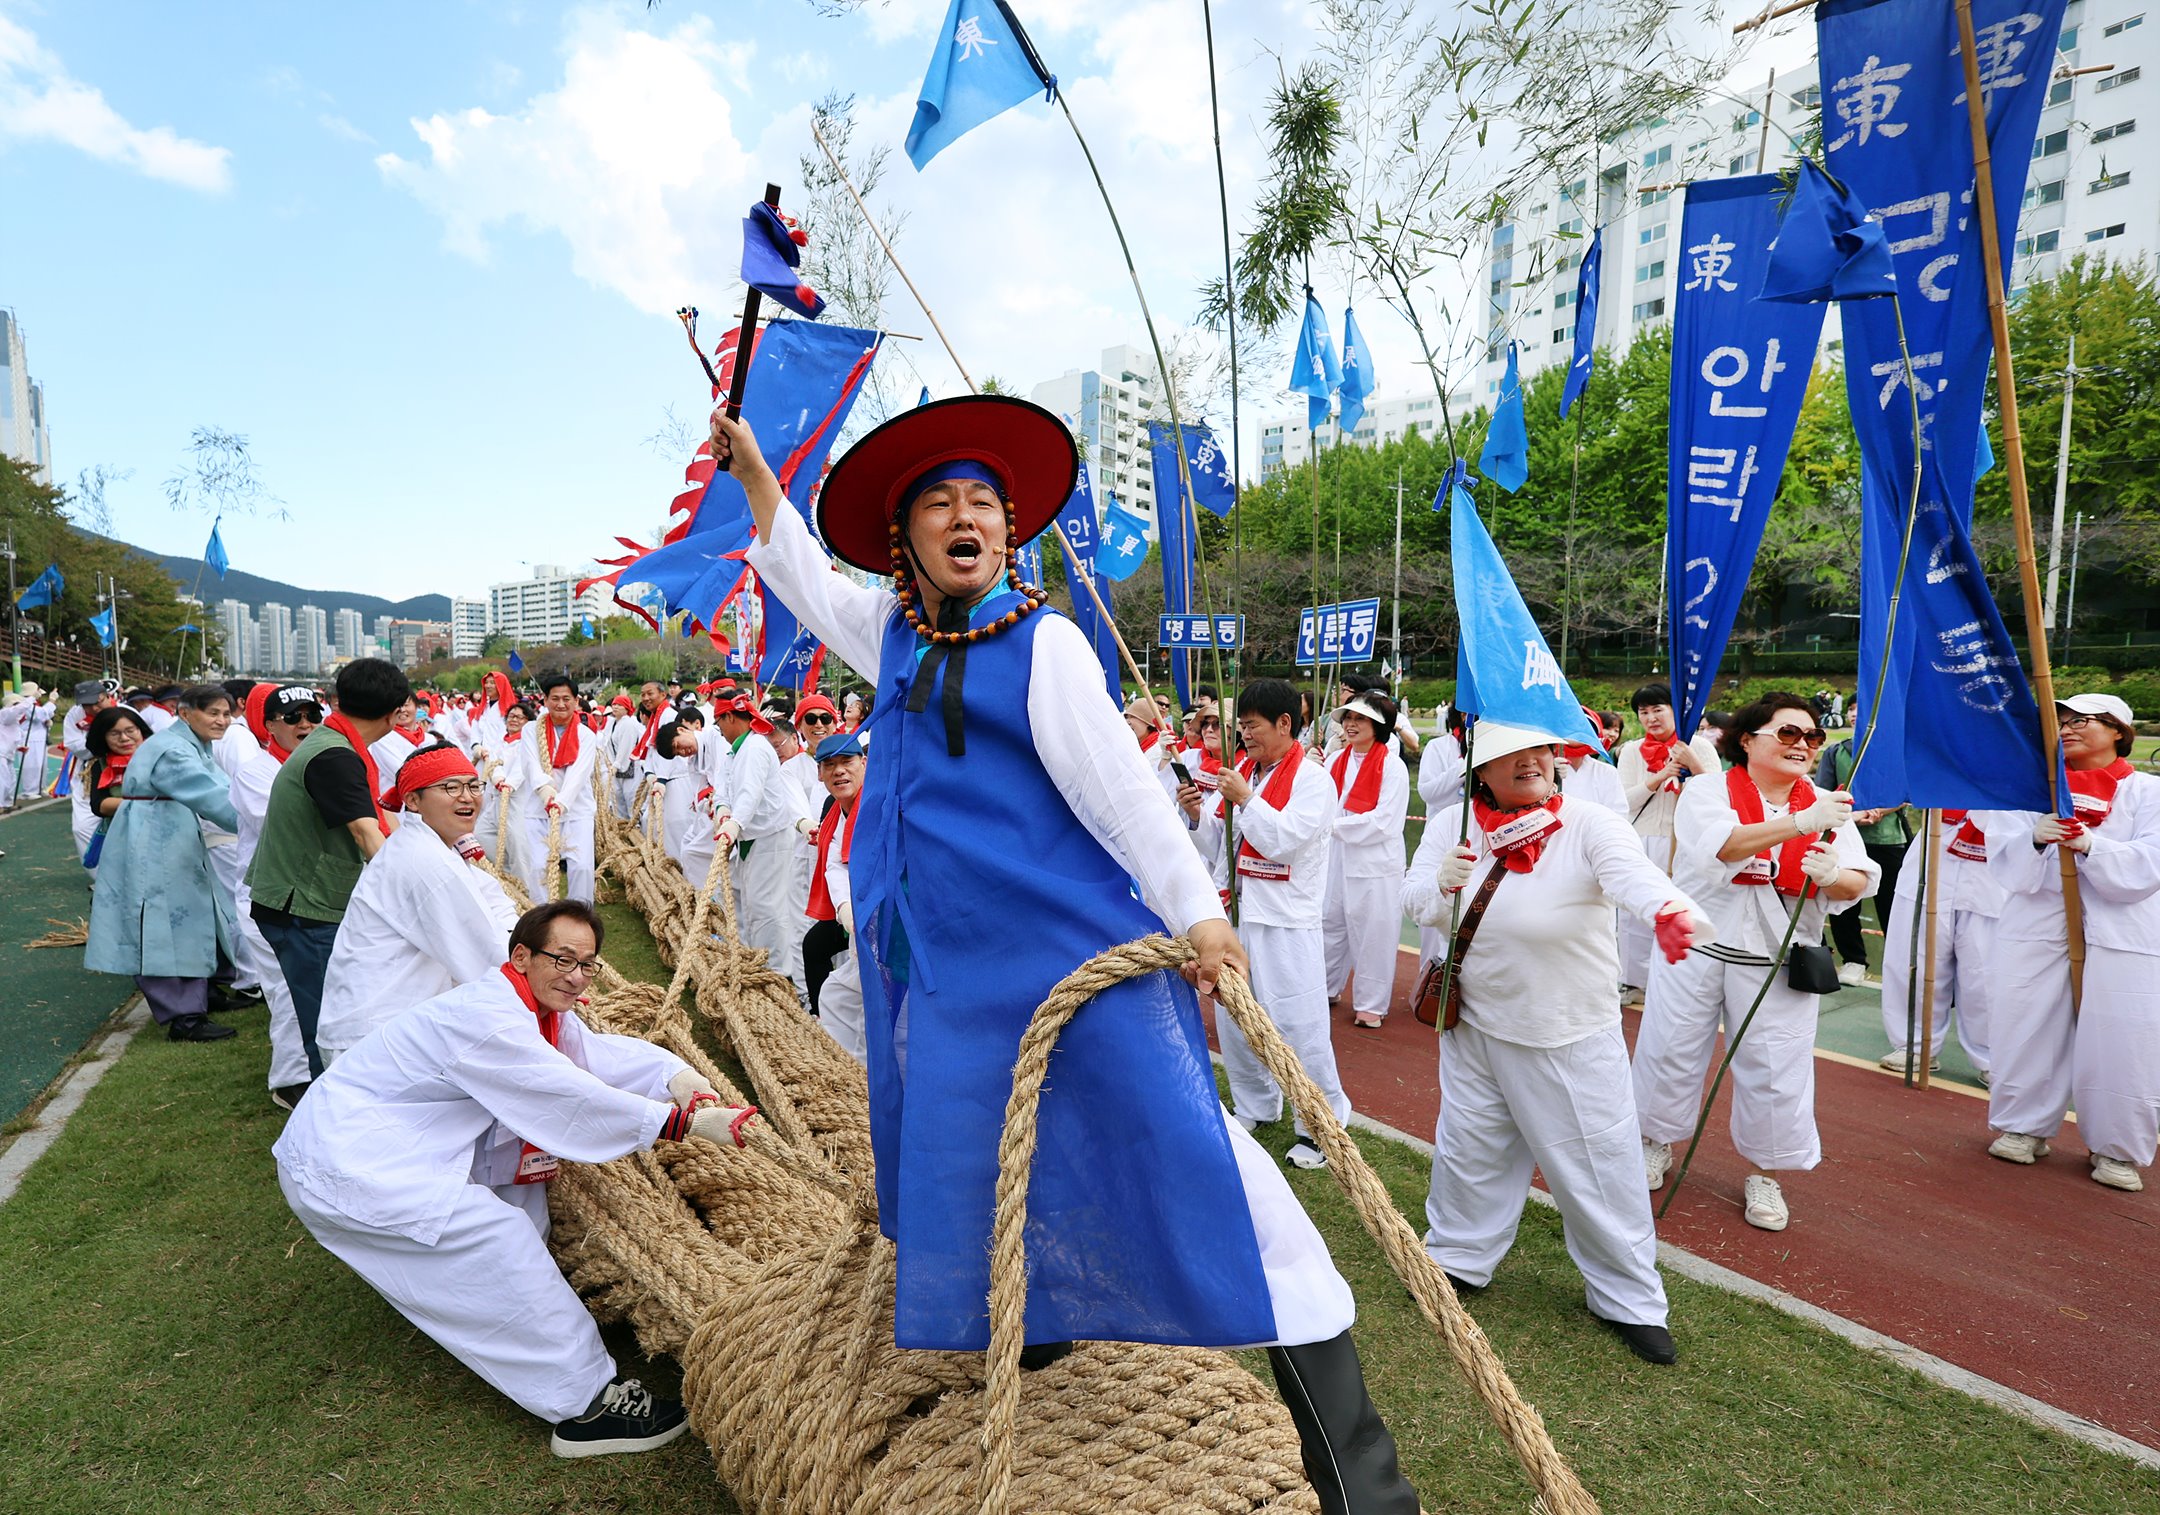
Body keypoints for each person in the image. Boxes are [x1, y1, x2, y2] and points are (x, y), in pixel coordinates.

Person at [717, 396, 1416, 1514]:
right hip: (946, 986)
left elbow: (1128, 798)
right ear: (908, 540)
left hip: (1068, 974)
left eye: (982, 504)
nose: (965, 518)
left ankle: (1362, 1480)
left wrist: (1197, 911)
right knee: (988, 1173)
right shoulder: (895, 633)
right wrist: (754, 471)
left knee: (1226, 1190)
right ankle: (1031, 1333)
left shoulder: (1041, 645)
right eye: (939, 504)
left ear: (1009, 532)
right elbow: (801, 574)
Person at [273, 900, 757, 1457]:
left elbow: (593, 1058)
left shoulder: (532, 1009)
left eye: (587, 964)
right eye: (563, 959)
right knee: (496, 1237)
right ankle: (586, 1406)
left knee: (523, 1214)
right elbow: (566, 1092)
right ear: (522, 956)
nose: (576, 976)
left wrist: (673, 1073)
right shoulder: (491, 1020)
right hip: (348, 1162)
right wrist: (681, 1121)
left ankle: (528, 1320)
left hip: (384, 1144)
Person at [1402, 722, 1709, 1363]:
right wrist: (1442, 884)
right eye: (1508, 754)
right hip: (1475, 1024)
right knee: (1469, 1150)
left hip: (1566, 1033)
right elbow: (1415, 901)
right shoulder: (1452, 823)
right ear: (1478, 771)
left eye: (1539, 750)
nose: (1530, 762)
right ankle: (1457, 1257)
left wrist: (1671, 912)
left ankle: (1629, 1298)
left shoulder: (1590, 824)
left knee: (1600, 1170)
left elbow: (1634, 878)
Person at [1632, 693, 1877, 1231]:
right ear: (1747, 739)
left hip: (1778, 960)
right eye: (1788, 733)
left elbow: (1860, 878)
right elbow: (1723, 846)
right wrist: (1801, 822)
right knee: (1669, 1046)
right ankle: (1654, 1141)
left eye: (1813, 737)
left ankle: (1766, 1171)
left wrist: (1834, 872)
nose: (1804, 745)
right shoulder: (1708, 790)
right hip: (1695, 945)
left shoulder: (1826, 802)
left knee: (1776, 1066)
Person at [1981, 694, 2160, 1191]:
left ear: (2118, 731)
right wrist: (2035, 839)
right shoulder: (2032, 787)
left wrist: (2091, 844)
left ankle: (2117, 1148)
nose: (2070, 728)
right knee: (2025, 1018)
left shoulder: (2148, 791)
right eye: (2062, 721)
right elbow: (2006, 858)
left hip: (2123, 928)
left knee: (2126, 1035)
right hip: (2039, 920)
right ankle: (2023, 1126)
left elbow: (2151, 863)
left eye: (2083, 720)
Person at [1182, 678, 1355, 1169]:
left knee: (1298, 1025)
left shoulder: (1313, 780)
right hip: (1237, 914)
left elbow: (1284, 841)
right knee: (1236, 1017)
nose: (1244, 736)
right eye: (1241, 728)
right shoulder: (1245, 774)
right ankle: (1256, 1104)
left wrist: (1245, 799)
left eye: (1251, 727)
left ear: (1285, 724)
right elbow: (1224, 845)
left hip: (1286, 921)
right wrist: (1198, 816)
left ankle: (1322, 1123)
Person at [248, 657, 412, 1078]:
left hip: (307, 900)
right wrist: (411, 893)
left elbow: (378, 819)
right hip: (303, 908)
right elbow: (365, 833)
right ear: (396, 712)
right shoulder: (334, 756)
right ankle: (331, 1120)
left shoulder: (335, 743)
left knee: (334, 1013)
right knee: (328, 1024)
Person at [316, 742, 522, 1064]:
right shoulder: (426, 861)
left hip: (387, 1027)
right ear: (412, 800)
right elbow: (486, 956)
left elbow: (492, 897)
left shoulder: (433, 846)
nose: (467, 797)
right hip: (375, 1042)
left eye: (472, 785)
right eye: (450, 787)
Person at [85, 685, 245, 1044]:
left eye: (226, 713)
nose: (221, 721)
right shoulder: (173, 750)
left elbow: (218, 788)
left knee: (200, 911)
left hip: (169, 832)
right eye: (213, 713)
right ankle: (184, 1017)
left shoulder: (187, 742)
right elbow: (214, 795)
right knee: (165, 926)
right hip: (154, 840)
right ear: (186, 713)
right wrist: (260, 822)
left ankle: (207, 993)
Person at [227, 684, 320, 1108]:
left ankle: (312, 1068)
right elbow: (285, 826)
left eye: (311, 715)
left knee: (312, 984)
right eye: (293, 717)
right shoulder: (256, 771)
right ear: (269, 726)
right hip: (265, 898)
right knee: (285, 987)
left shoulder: (318, 763)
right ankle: (290, 1081)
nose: (305, 724)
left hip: (309, 895)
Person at [1615, 684, 1722, 1006]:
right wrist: (1660, 775)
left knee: (1680, 909)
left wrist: (1692, 763)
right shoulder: (1632, 751)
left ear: (1675, 711)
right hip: (1642, 839)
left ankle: (1677, 979)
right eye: (1643, 712)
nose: (1651, 718)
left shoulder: (1698, 746)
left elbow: (1716, 794)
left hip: (1684, 843)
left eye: (1658, 709)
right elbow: (1623, 801)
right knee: (1633, 915)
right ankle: (1634, 981)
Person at [1877, 807, 2000, 1079]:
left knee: (1986, 974)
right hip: (1935, 852)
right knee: (1915, 961)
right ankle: (1915, 1045)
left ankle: (1993, 1058)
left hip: (1993, 869)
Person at [1321, 692, 1410, 1030]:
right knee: (1330, 922)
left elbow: (1385, 821)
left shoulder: (1392, 766)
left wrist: (1331, 828)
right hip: (1336, 857)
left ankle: (1371, 1004)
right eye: (1348, 718)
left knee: (1373, 931)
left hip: (1374, 862)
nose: (1351, 724)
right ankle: (1326, 987)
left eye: (1359, 719)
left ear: (1378, 725)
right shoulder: (1334, 761)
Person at [1815, 729, 1912, 986]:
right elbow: (1822, 791)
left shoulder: (1896, 749)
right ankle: (1854, 960)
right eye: (1853, 710)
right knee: (1843, 901)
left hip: (1888, 838)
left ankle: (1902, 964)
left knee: (1893, 904)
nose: (1857, 715)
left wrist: (1882, 809)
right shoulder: (1838, 751)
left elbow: (1909, 789)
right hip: (1845, 834)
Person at [804, 730, 867, 1062]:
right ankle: (853, 1070)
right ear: (820, 773)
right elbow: (835, 863)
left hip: (887, 924)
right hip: (858, 921)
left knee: (848, 997)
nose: (839, 771)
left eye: (847, 762)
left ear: (864, 763)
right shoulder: (836, 808)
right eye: (830, 765)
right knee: (839, 995)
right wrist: (844, 907)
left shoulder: (879, 804)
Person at [510, 673, 599, 903]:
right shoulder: (531, 730)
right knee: (539, 866)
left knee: (581, 868)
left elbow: (579, 773)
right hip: (539, 809)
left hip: (576, 810)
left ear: (576, 701)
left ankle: (581, 917)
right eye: (555, 698)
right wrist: (545, 791)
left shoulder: (586, 735)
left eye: (566, 698)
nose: (561, 704)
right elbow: (530, 764)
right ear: (545, 701)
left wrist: (560, 802)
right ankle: (543, 917)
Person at [62, 679, 119, 864]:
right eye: (87, 705)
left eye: (97, 702)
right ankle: (100, 875)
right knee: (82, 826)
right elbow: (73, 744)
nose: (93, 708)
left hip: (122, 770)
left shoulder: (125, 712)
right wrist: (104, 743)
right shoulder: (74, 715)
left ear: (106, 695)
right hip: (87, 771)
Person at [612, 681, 668, 817]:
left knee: (633, 803)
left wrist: (618, 764)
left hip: (639, 770)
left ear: (663, 694)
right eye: (643, 694)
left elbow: (627, 747)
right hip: (645, 771)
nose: (615, 707)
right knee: (622, 802)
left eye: (650, 694)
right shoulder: (615, 723)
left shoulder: (629, 723)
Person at [1558, 710, 1627, 816]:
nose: (1577, 732)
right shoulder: (1545, 769)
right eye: (1570, 726)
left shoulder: (1607, 771)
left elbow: (1619, 813)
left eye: (1584, 727)